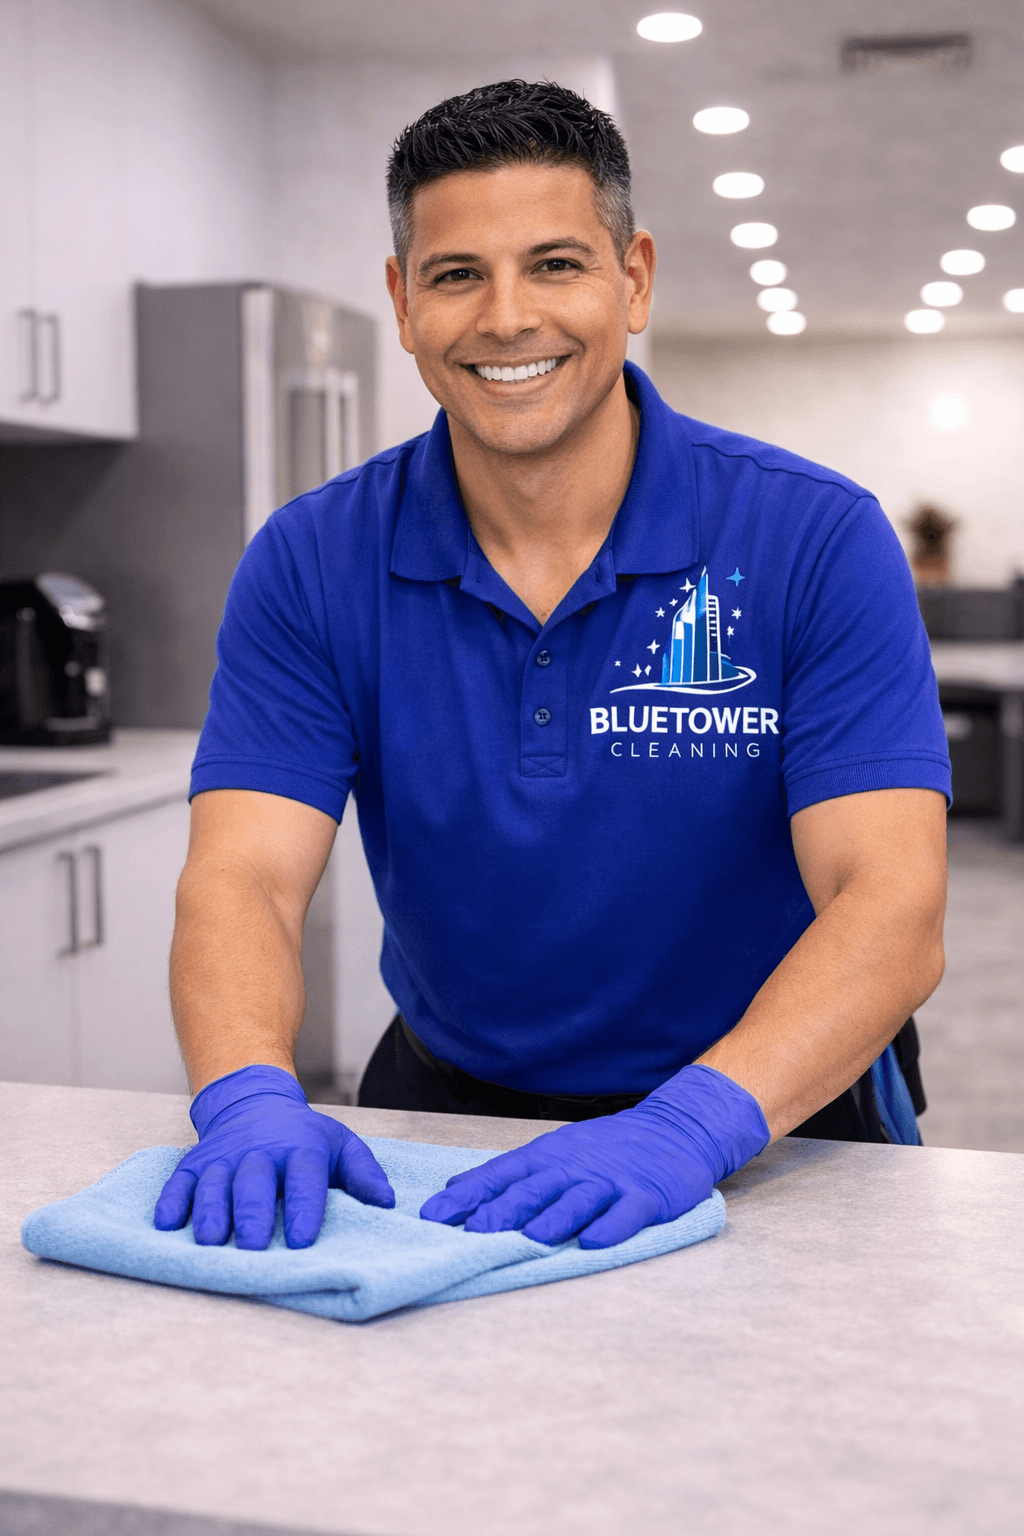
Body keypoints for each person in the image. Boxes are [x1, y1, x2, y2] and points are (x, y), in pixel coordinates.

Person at [154, 80, 950, 1255]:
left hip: (778, 1113)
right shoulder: (313, 559)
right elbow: (245, 879)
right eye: (456, 273)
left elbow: (890, 902)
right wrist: (246, 1093)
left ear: (632, 280)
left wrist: (689, 1125)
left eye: (556, 264)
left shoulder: (811, 538)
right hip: (447, 1106)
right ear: (404, 302)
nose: (506, 317)